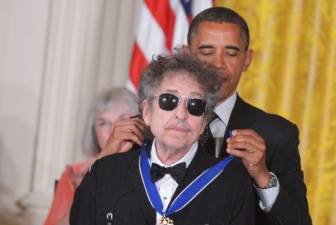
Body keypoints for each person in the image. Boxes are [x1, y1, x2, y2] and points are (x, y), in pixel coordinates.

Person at [69, 53, 255, 225]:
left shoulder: (232, 185)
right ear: (147, 112)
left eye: (195, 105)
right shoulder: (104, 175)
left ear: (204, 121)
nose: (181, 114)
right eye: (169, 101)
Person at [185, 7, 312, 225]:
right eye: (207, 52)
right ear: (188, 56)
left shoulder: (277, 134)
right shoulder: (154, 126)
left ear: (247, 60)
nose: (218, 64)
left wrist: (262, 176)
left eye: (231, 53)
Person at [43, 87, 142, 225]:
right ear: (93, 130)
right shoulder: (75, 174)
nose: (114, 130)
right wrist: (103, 159)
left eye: (122, 121)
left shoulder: (154, 167)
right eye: (103, 123)